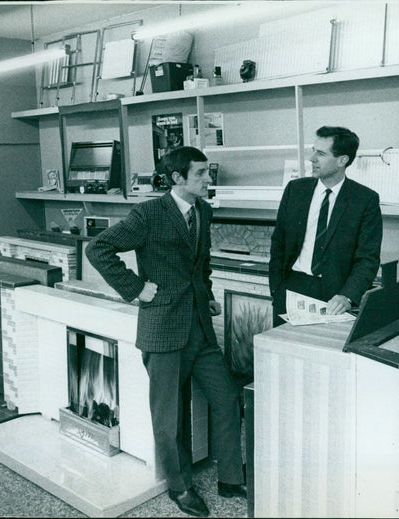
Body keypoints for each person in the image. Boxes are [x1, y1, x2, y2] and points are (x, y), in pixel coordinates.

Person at [85, 146, 244, 518]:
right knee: (169, 417)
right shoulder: (148, 214)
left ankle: (231, 478)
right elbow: (99, 248)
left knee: (226, 399)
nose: (209, 179)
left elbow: (200, 263)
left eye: (208, 172)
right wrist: (136, 288)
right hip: (163, 329)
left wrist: (205, 296)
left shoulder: (203, 211)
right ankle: (180, 487)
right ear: (177, 179)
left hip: (200, 329)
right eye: (201, 173)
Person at [269, 126, 382, 325]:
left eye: (320, 153)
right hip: (290, 289)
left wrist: (347, 296)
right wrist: (277, 288)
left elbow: (367, 258)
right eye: (313, 150)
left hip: (335, 298)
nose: (312, 158)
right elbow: (278, 242)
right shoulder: (295, 190)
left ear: (342, 160)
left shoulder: (364, 200)